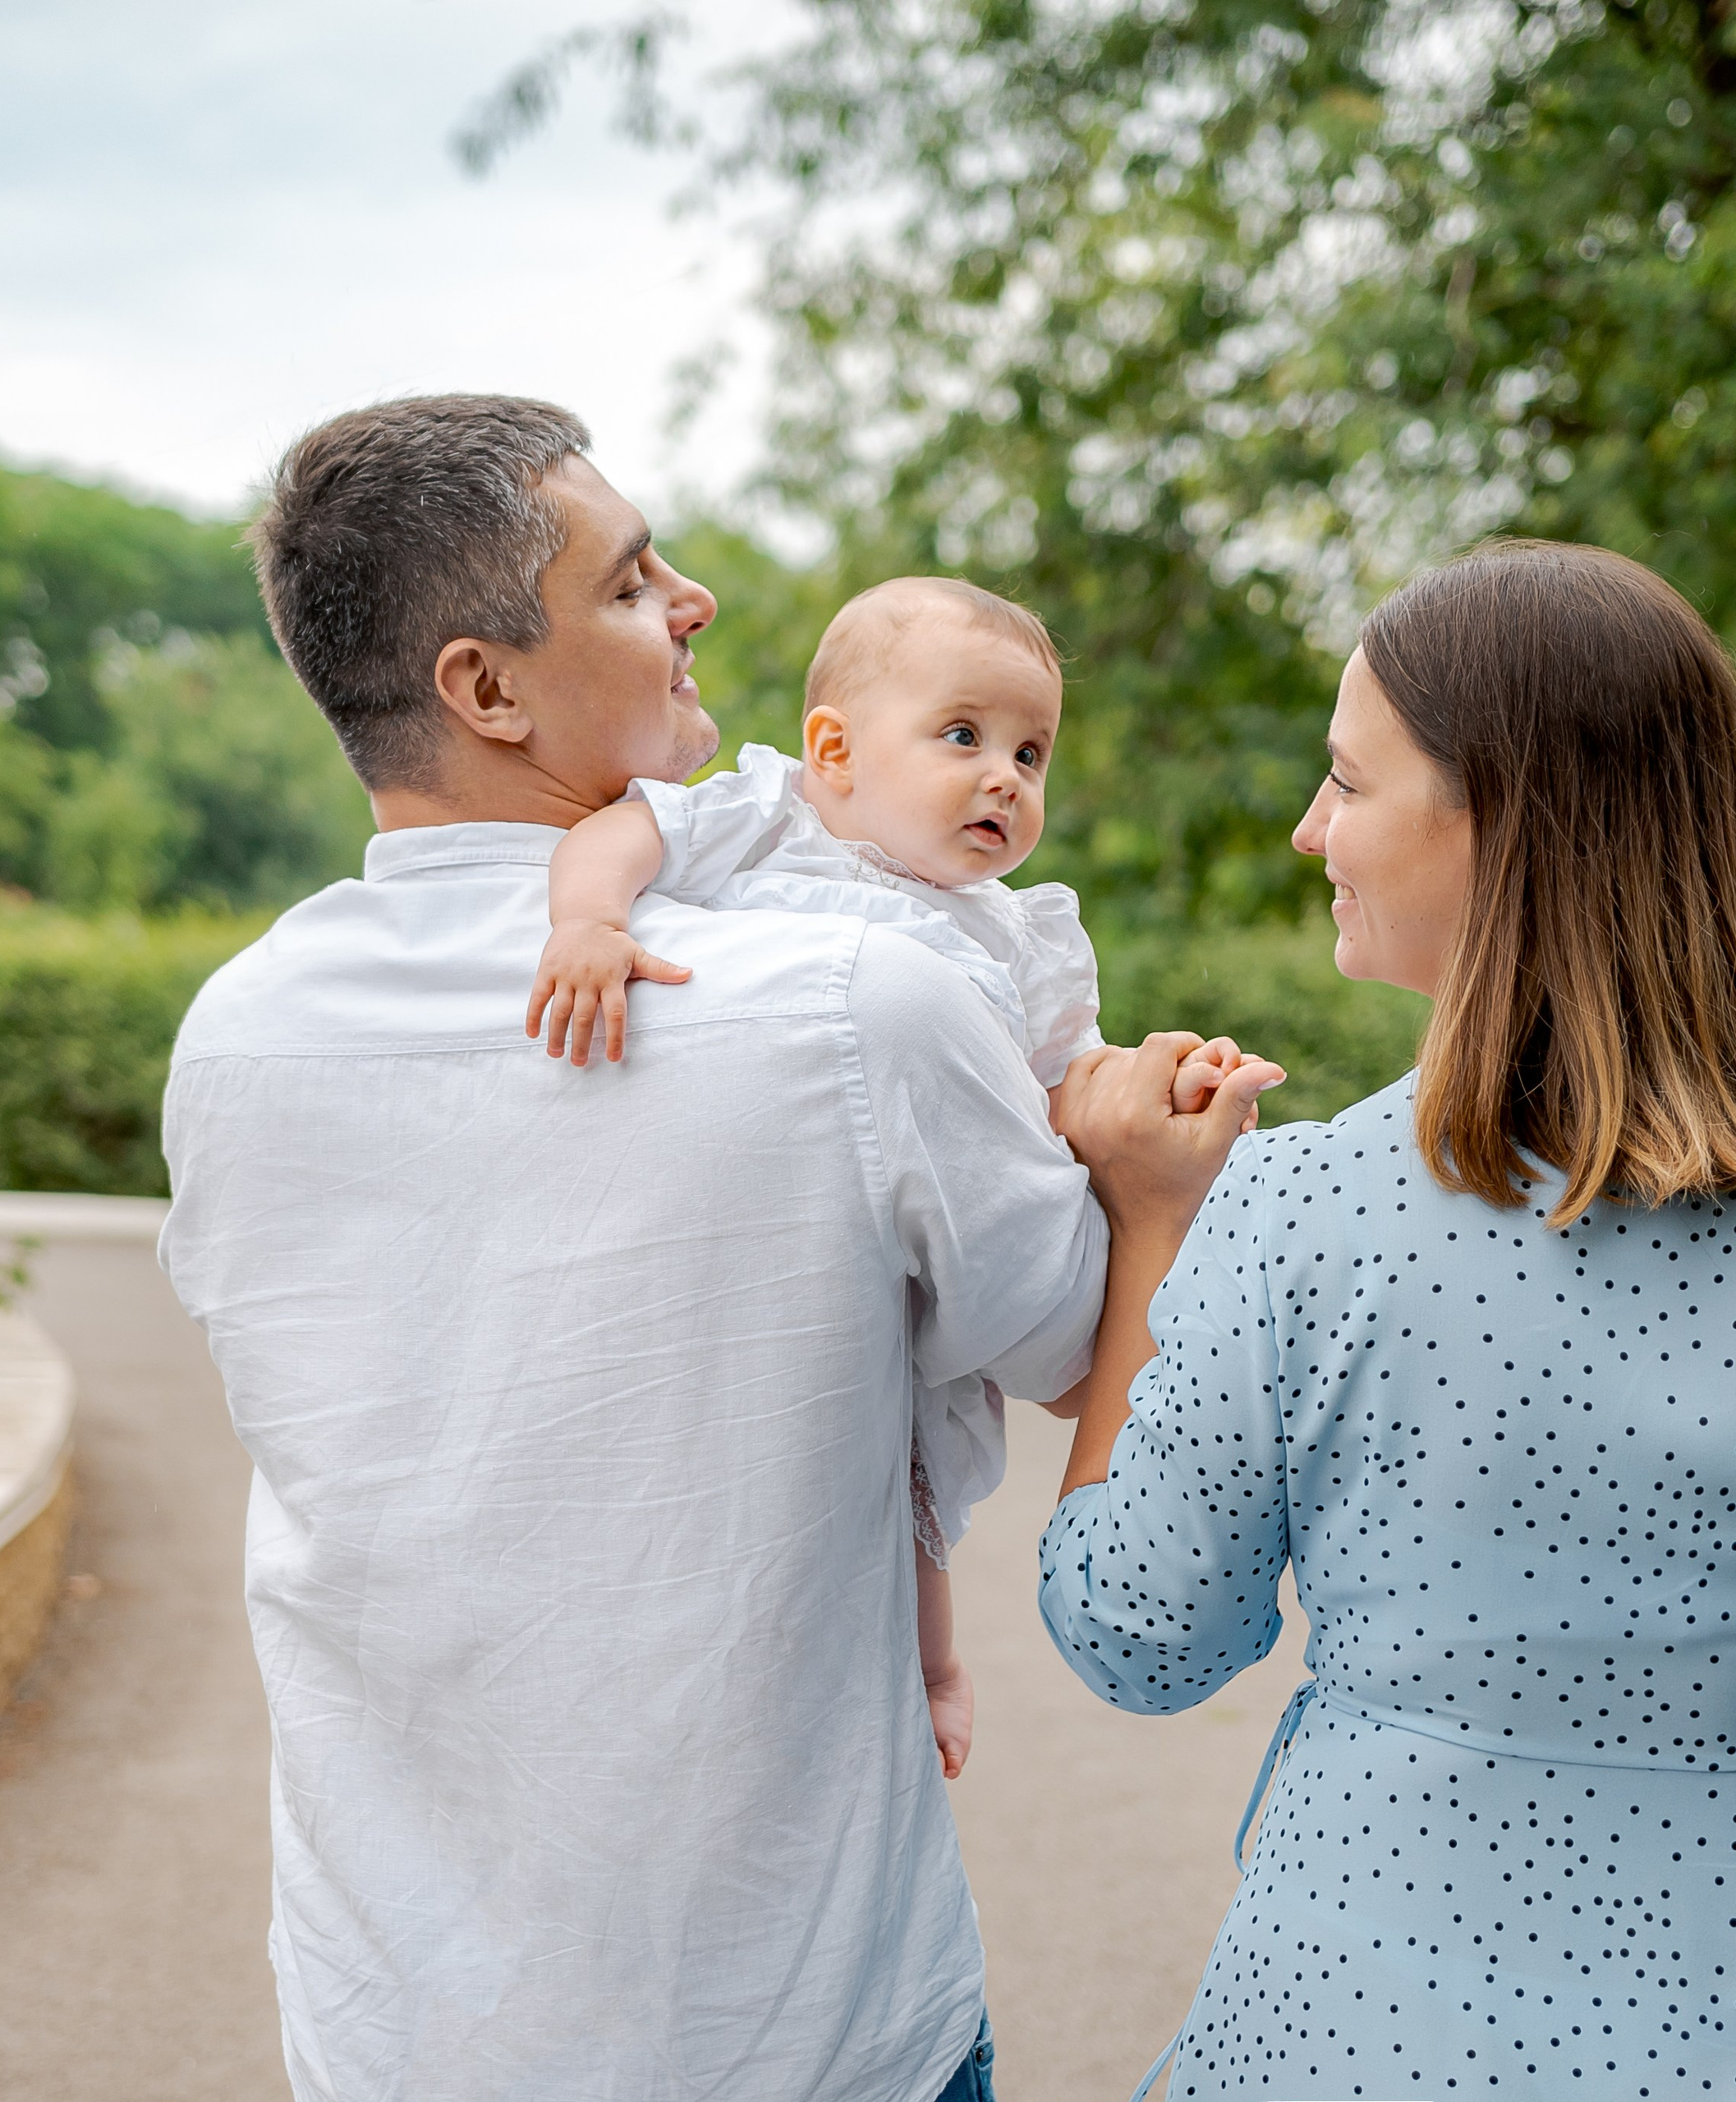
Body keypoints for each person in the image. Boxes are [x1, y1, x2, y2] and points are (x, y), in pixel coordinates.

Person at [158, 395, 1171, 2100]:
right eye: (633, 585)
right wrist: (1151, 1184)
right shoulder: (860, 1003)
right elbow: (1080, 1355)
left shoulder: (234, 1035)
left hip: (392, 2027)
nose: (693, 600)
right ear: (484, 688)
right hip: (796, 2026)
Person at [1040, 539, 1736, 2098]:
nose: (1312, 828)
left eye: (1347, 782)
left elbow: (1139, 1631)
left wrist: (1154, 1224)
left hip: (1363, 2033)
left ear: (1495, 815)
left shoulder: (1307, 1212)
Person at [523, 573, 1236, 1780]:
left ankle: (936, 1666)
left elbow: (1066, 1088)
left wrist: (1153, 1090)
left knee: (903, 1489)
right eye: (963, 736)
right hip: (778, 1232)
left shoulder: (1021, 934)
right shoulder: (766, 816)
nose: (1005, 776)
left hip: (924, 1243)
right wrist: (586, 922)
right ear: (835, 750)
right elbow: (623, 832)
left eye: (1031, 751)